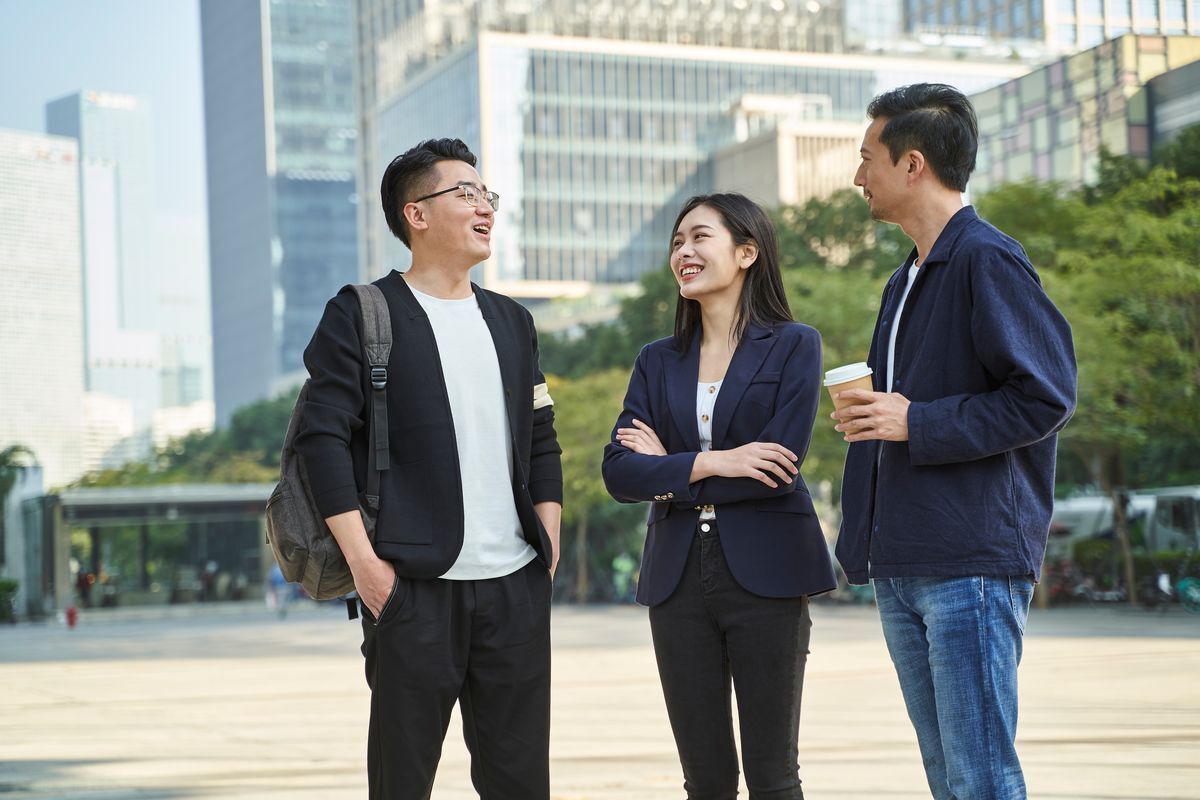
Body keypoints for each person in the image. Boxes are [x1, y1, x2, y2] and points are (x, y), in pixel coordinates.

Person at [294, 138, 563, 800]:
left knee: (521, 783)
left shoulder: (512, 321)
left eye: (486, 195)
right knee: (401, 783)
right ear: (416, 214)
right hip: (412, 587)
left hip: (514, 588)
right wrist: (367, 568)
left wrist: (546, 546)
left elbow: (541, 437)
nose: (485, 207)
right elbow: (320, 440)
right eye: (465, 193)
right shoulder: (362, 313)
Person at [833, 84, 1077, 799]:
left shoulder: (987, 259)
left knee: (981, 777)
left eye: (866, 158)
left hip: (969, 561)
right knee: (949, 777)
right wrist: (879, 419)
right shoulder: (902, 279)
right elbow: (909, 406)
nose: (857, 177)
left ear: (913, 164)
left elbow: (1045, 396)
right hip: (905, 557)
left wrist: (918, 421)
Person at [602, 193, 836, 800]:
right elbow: (621, 473)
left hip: (769, 574)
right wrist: (715, 461)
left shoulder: (794, 345)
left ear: (747, 252)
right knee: (704, 779)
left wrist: (671, 470)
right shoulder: (656, 360)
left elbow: (777, 465)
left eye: (700, 237)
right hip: (676, 581)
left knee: (773, 776)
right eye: (678, 241)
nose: (684, 251)